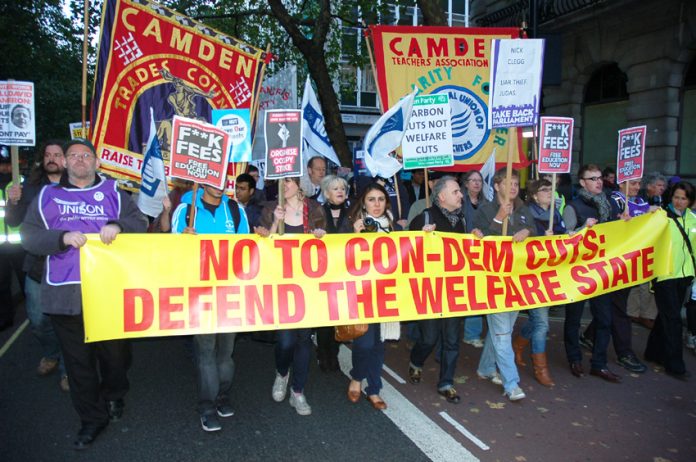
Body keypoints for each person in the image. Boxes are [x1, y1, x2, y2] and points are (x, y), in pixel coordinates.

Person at [20, 138, 147, 449]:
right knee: (78, 364)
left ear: (96, 162)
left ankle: (115, 394)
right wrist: (61, 237)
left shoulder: (115, 192)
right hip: (65, 295)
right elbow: (28, 236)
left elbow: (141, 222)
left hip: (109, 291)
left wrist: (119, 225)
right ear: (63, 162)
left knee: (115, 356)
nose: (79, 159)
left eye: (85, 155)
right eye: (72, 155)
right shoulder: (46, 195)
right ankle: (92, 419)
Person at [171, 183, 250, 432]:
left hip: (230, 293)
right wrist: (183, 240)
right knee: (206, 351)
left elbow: (248, 248)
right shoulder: (185, 210)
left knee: (225, 354)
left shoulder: (236, 210)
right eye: (213, 181)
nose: (220, 186)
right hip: (199, 293)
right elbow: (168, 251)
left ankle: (222, 396)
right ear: (202, 182)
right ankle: (206, 405)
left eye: (223, 181)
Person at [256, 177, 325, 416]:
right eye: (279, 182)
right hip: (282, 283)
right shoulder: (268, 208)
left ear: (299, 183)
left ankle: (298, 392)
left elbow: (328, 243)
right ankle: (282, 373)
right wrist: (275, 222)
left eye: (287, 181)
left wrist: (320, 236)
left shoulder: (315, 209)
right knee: (286, 341)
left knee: (304, 340)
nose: (283, 186)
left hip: (309, 283)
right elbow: (263, 246)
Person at [5, 140, 69, 390]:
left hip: (69, 266)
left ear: (65, 159)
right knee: (38, 320)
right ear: (43, 159)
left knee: (68, 320)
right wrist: (13, 202)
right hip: (37, 266)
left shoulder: (77, 186)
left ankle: (68, 369)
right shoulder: (29, 187)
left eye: (57, 154)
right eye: (48, 155)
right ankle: (51, 354)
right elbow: (13, 222)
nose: (52, 158)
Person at [408, 176, 478, 403]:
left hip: (454, 289)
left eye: (460, 191)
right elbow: (406, 249)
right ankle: (416, 361)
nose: (461, 195)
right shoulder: (425, 217)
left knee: (451, 340)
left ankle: (446, 382)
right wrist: (421, 235)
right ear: (442, 196)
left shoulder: (462, 221)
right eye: (456, 191)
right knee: (429, 338)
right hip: (431, 290)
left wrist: (474, 239)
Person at [580, 179, 655, 374]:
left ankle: (589, 336)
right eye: (633, 183)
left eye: (639, 183)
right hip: (613, 265)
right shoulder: (613, 202)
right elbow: (606, 227)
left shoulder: (639, 203)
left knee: (611, 308)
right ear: (621, 184)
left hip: (629, 263)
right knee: (620, 310)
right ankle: (624, 353)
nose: (637, 187)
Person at [473, 168, 536, 401]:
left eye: (515, 184)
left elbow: (537, 234)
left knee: (503, 331)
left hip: (516, 281)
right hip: (493, 283)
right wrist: (499, 217)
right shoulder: (485, 210)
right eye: (507, 183)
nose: (512, 187)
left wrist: (528, 231)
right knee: (502, 333)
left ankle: (486, 368)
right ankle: (512, 384)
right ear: (497, 185)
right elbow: (481, 238)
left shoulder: (523, 210)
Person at [562, 164, 622, 383]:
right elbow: (565, 241)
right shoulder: (573, 207)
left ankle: (599, 363)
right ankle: (574, 358)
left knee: (605, 319)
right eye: (593, 178)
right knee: (574, 318)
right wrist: (582, 229)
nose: (599, 181)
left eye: (600, 178)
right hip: (578, 273)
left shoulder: (611, 206)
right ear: (582, 182)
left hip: (603, 272)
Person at [347, 182, 400, 410]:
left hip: (386, 292)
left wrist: (424, 237)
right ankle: (357, 377)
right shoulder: (353, 225)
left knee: (378, 344)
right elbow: (343, 258)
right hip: (362, 291)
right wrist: (355, 236)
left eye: (381, 199)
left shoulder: (394, 228)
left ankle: (374, 389)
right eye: (371, 199)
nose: (376, 204)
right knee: (365, 342)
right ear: (363, 202)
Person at [512, 179, 565, 387]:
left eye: (551, 189)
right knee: (542, 323)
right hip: (532, 275)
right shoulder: (525, 214)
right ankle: (541, 369)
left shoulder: (556, 213)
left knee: (537, 321)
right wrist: (542, 237)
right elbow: (518, 241)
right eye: (545, 190)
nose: (550, 192)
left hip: (551, 273)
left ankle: (518, 344)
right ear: (534, 195)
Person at [644, 181, 696, 380]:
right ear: (670, 197)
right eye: (676, 197)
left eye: (684, 198)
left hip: (684, 276)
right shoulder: (660, 217)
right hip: (664, 275)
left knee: (666, 315)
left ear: (690, 200)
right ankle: (675, 365)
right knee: (673, 319)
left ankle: (652, 352)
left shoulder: (693, 219)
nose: (679, 202)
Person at [316, 175, 351, 372]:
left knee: (340, 317)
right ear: (326, 192)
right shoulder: (317, 212)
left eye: (343, 189)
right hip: (323, 273)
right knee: (325, 318)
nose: (340, 191)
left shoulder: (354, 212)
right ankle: (323, 353)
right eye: (335, 188)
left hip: (345, 273)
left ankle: (334, 353)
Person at [460, 170, 487, 348]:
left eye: (479, 180)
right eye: (473, 180)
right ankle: (467, 331)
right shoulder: (460, 203)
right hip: (462, 252)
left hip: (483, 253)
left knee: (477, 291)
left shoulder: (488, 203)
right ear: (466, 183)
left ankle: (472, 332)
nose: (477, 183)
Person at [0, 151, 25, 331]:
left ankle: (34, 316)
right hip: (1, 247)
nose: (5, 168)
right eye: (2, 164)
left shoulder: (22, 182)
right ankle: (5, 318)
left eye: (7, 164)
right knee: (2, 286)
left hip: (22, 246)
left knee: (28, 285)